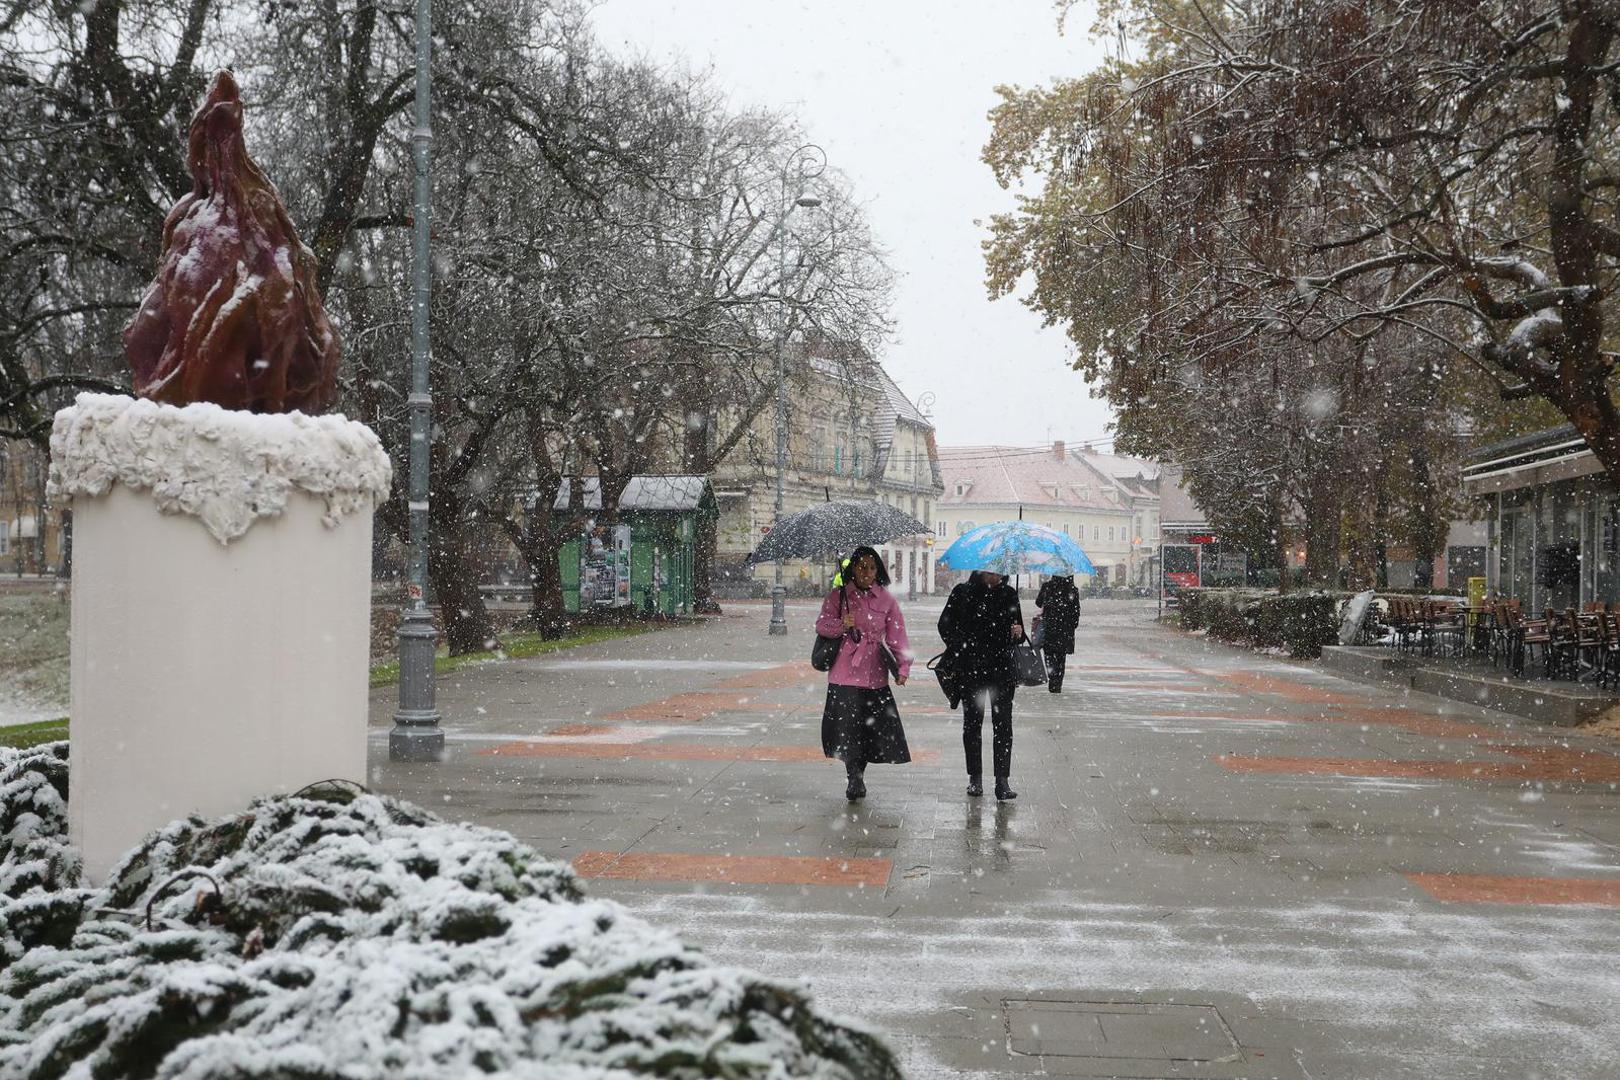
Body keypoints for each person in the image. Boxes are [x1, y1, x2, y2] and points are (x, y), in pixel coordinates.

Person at [814, 546, 912, 801]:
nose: (866, 572)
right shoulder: (838, 597)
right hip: (844, 673)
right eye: (861, 567)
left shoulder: (887, 600)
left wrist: (903, 667)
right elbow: (821, 625)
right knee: (848, 730)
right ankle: (854, 777)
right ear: (853, 569)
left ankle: (859, 772)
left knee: (869, 731)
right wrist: (841, 624)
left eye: (871, 567)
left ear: (878, 570)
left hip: (875, 674)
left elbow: (898, 636)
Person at [938, 570, 1024, 800]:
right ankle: (975, 778)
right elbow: (944, 626)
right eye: (991, 569)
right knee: (972, 724)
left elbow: (1019, 632)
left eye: (999, 570)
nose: (997, 574)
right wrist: (961, 647)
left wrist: (1017, 632)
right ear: (980, 569)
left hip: (1002, 671)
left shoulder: (1009, 594)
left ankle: (1002, 781)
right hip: (971, 670)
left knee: (1003, 725)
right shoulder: (962, 592)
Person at [1035, 574, 1081, 693]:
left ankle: (1052, 679)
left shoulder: (1047, 587)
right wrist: (1071, 625)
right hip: (1064, 630)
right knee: (1061, 658)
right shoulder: (1072, 589)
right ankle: (1057, 683)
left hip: (1049, 628)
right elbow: (1076, 611)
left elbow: (1038, 602)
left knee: (1049, 655)